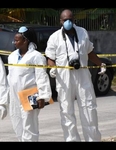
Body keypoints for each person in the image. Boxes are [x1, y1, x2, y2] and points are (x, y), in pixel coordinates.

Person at [45, 9, 106, 142]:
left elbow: (90, 51)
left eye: (70, 19)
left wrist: (100, 64)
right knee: (67, 111)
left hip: (83, 75)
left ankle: (93, 139)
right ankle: (72, 139)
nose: (68, 22)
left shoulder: (82, 32)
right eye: (65, 20)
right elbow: (50, 57)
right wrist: (53, 68)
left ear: (74, 20)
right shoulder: (54, 37)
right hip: (64, 78)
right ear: (60, 21)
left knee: (89, 109)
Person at [7, 26, 52, 141]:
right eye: (14, 40)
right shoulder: (12, 57)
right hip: (15, 95)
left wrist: (43, 96)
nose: (14, 42)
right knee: (17, 123)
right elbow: (10, 77)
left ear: (25, 41)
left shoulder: (36, 57)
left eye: (17, 40)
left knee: (29, 125)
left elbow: (41, 76)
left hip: (30, 95)